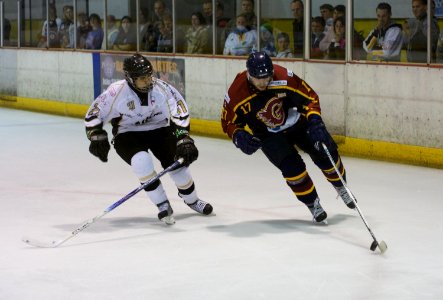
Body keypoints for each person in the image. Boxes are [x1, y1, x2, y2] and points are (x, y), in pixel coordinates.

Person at [221, 51, 355, 223]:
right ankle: (312, 203)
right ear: (249, 74)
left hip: (297, 123)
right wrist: (238, 135)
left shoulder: (283, 77)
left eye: (267, 77)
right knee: (293, 170)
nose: (263, 82)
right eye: (258, 78)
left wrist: (315, 121)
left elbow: (310, 97)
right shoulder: (236, 92)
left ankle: (341, 186)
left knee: (325, 152)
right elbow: (228, 122)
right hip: (267, 135)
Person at [85, 54, 213, 225]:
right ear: (130, 79)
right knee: (141, 162)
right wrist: (95, 135)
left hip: (160, 130)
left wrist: (183, 138)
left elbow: (179, 111)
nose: (148, 81)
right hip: (128, 133)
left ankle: (193, 200)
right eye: (142, 78)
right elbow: (94, 112)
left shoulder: (163, 89)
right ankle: (162, 205)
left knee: (178, 166)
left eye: (149, 76)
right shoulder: (116, 92)